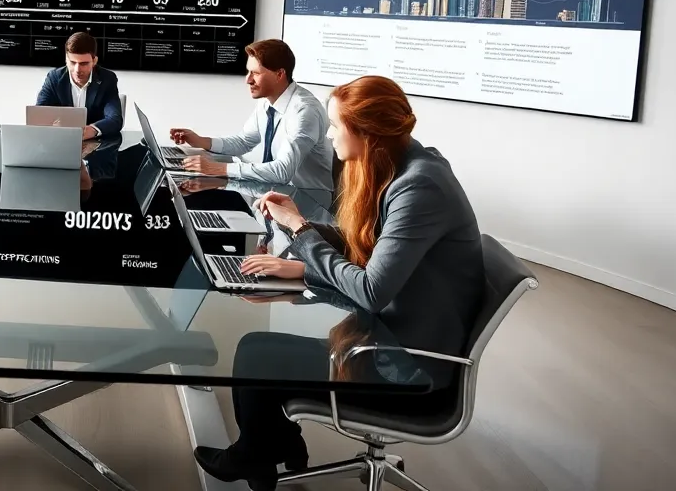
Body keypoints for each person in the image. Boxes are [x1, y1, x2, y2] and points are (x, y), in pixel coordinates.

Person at [192, 75, 484, 491]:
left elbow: (371, 289)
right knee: (257, 348)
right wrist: (302, 244)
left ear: (366, 133)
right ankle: (276, 446)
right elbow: (374, 251)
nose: (329, 137)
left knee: (256, 356)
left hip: (409, 367)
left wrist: (298, 232)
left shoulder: (419, 187)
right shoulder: (407, 166)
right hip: (394, 333)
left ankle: (258, 454)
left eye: (335, 127)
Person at [169, 39, 333, 192]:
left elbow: (283, 171)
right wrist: (201, 141)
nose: (248, 80)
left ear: (279, 74)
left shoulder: (304, 111)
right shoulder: (267, 101)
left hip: (311, 202)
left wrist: (217, 168)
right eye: (248, 72)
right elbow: (244, 141)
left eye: (255, 73)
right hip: (276, 194)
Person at [35, 31, 123, 140]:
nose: (77, 70)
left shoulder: (107, 79)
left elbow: (115, 119)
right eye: (72, 62)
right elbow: (39, 114)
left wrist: (92, 130)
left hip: (95, 143)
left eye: (84, 64)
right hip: (60, 140)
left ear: (94, 61)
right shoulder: (54, 78)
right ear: (66, 59)